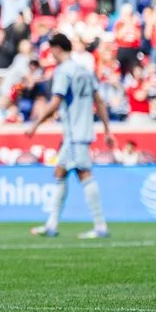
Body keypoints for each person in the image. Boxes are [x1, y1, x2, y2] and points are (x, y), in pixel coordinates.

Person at [26, 33, 114, 239]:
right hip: (80, 131)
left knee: (84, 174)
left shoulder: (63, 72)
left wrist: (35, 125)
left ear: (57, 49)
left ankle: (100, 226)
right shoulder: (85, 70)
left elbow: (55, 102)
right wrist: (108, 129)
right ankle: (51, 225)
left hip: (75, 133)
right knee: (60, 173)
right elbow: (99, 101)